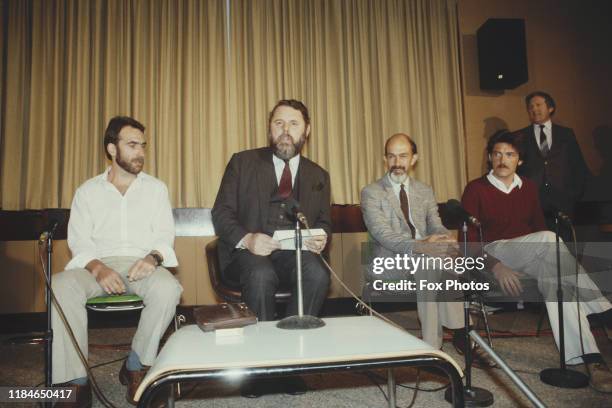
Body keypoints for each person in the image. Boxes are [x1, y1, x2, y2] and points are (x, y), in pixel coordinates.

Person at [461, 130, 612, 393]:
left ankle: (591, 360)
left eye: (509, 154)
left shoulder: (528, 188)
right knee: (548, 240)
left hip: (531, 252)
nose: (502, 159)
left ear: (519, 160)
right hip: (497, 251)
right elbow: (469, 243)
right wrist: (496, 265)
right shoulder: (476, 189)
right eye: (497, 154)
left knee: (558, 281)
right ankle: (603, 311)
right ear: (489, 157)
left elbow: (538, 231)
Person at [51, 116, 183, 407]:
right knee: (59, 285)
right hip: (98, 265)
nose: (141, 152)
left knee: (169, 289)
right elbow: (79, 242)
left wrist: (153, 257)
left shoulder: (156, 189)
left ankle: (136, 365)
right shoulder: (87, 191)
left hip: (142, 265)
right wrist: (97, 267)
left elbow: (164, 235)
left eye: (143, 146)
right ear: (112, 149)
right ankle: (76, 382)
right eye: (132, 145)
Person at [360, 133, 494, 367]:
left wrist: (444, 238)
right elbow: (384, 236)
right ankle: (449, 339)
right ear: (385, 159)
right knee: (429, 261)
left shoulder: (424, 190)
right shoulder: (372, 192)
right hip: (390, 262)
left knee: (442, 257)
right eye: (391, 156)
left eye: (403, 156)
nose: (397, 162)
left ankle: (444, 341)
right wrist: (422, 247)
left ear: (414, 159)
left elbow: (435, 223)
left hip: (428, 261)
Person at [212, 99, 331, 323]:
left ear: (307, 130)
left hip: (295, 255)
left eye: (294, 124)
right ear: (270, 128)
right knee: (261, 274)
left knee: (318, 274)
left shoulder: (319, 175)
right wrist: (247, 239)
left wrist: (321, 237)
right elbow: (221, 212)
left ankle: (295, 342)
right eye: (279, 123)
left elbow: (324, 222)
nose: (285, 130)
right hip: (247, 256)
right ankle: (262, 350)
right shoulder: (242, 162)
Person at [517, 91, 590, 236]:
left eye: (538, 105)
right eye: (530, 106)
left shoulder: (566, 134)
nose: (534, 109)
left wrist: (573, 195)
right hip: (534, 202)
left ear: (550, 108)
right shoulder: (520, 136)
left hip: (563, 202)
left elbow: (578, 166)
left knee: (564, 248)